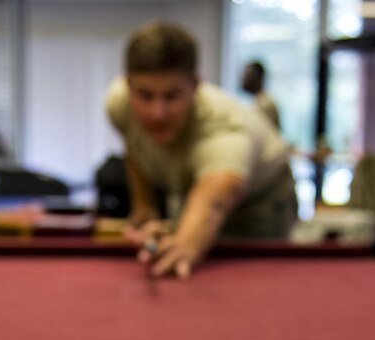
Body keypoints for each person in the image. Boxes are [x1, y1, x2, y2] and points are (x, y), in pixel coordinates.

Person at [106, 22, 297, 278]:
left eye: (172, 96)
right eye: (145, 95)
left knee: (246, 281)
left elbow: (213, 202)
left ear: (195, 86)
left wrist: (184, 245)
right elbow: (133, 145)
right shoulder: (119, 105)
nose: (157, 113)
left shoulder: (223, 129)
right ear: (128, 86)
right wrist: (144, 206)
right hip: (196, 187)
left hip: (259, 200)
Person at [241, 61, 280, 132]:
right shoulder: (259, 101)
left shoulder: (264, 104)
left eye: (247, 75)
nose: (242, 79)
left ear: (257, 78)